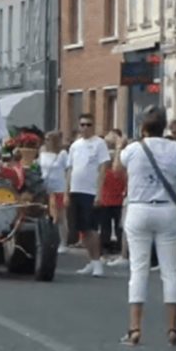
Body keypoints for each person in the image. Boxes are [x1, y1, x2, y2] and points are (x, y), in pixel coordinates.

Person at [118, 106, 176, 346]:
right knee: (169, 270)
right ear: (164, 127)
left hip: (139, 208)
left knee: (138, 270)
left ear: (143, 127)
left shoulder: (133, 149)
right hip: (167, 208)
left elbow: (118, 171)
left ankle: (135, 328)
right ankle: (172, 328)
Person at [66, 113, 111, 277]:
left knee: (91, 228)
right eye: (82, 124)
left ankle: (98, 262)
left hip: (90, 191)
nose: (85, 127)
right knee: (82, 230)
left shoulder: (99, 144)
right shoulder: (75, 145)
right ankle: (91, 261)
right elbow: (70, 169)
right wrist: (66, 192)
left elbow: (103, 169)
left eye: (88, 125)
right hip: (75, 190)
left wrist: (99, 193)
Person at [40, 131, 69, 254]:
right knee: (46, 214)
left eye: (49, 139)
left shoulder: (62, 154)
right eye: (45, 139)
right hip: (45, 187)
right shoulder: (42, 152)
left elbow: (68, 170)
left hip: (58, 187)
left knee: (60, 216)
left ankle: (63, 242)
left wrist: (67, 189)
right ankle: (47, 240)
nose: (46, 141)